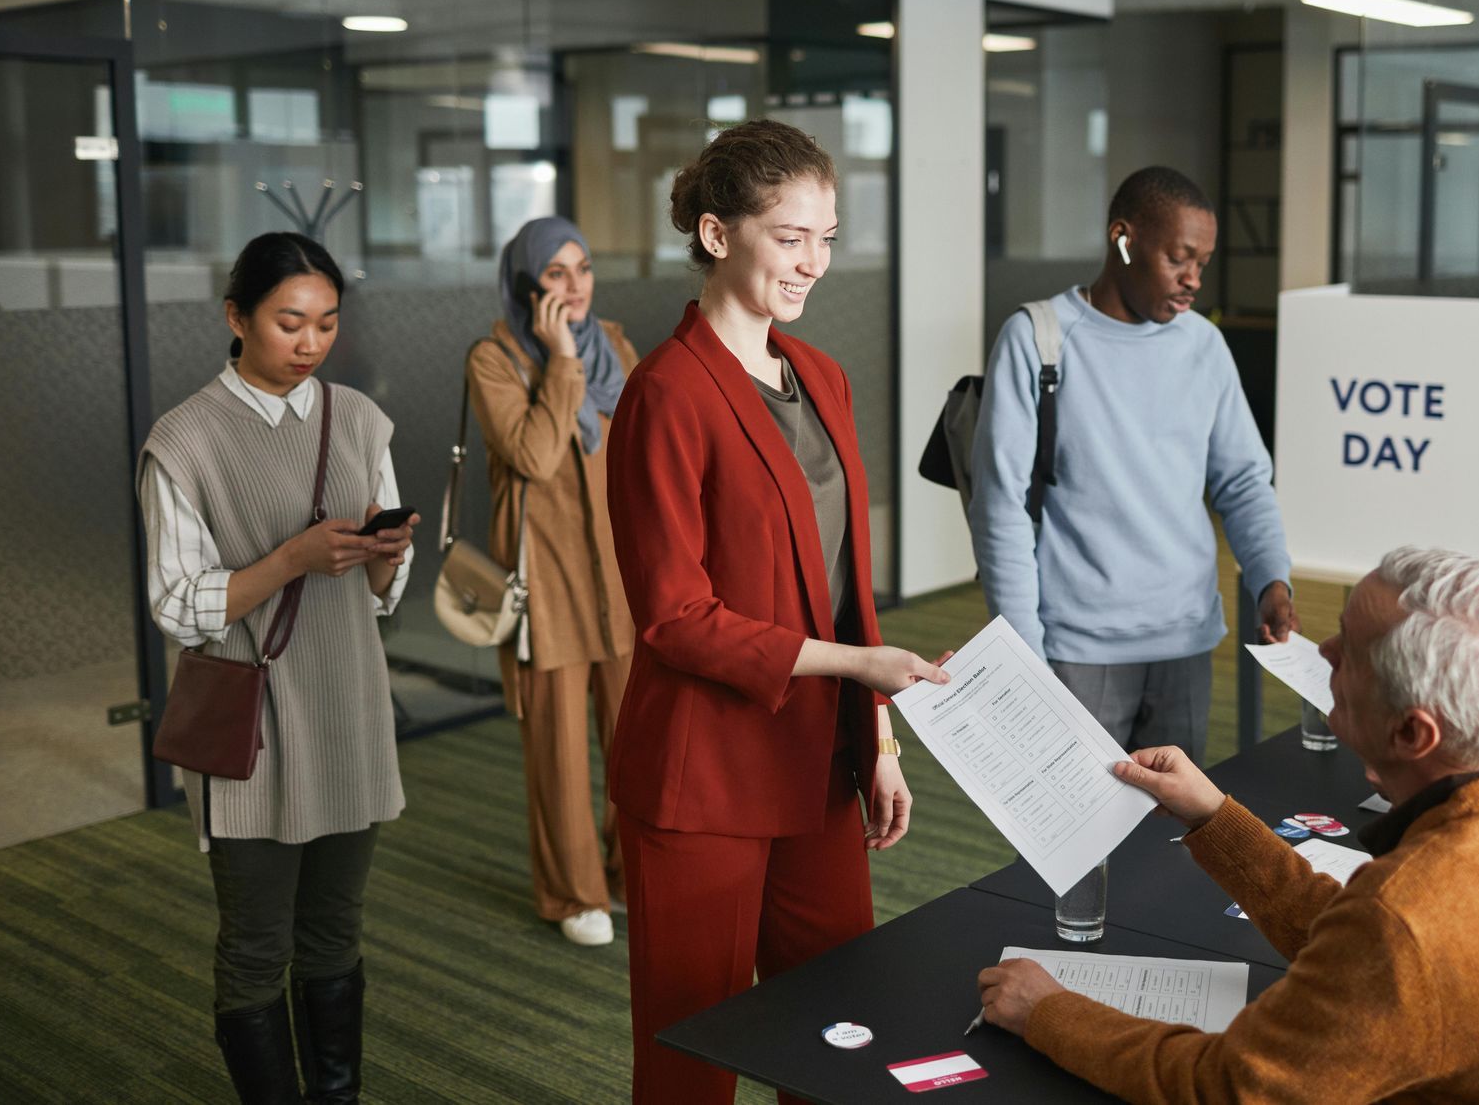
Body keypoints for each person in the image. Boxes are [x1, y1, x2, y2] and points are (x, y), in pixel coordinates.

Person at [976, 547, 1479, 1104]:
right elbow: (1373, 948)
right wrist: (1217, 816)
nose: (1323, 653)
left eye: (1351, 652)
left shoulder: (1414, 915)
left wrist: (1049, 1011)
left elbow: (1232, 1089)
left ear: (1413, 733)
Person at [605, 119, 949, 1104]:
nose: (814, 262)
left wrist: (876, 739)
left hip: (817, 760)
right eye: (790, 236)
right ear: (718, 235)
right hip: (704, 773)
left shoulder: (823, 379)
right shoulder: (665, 394)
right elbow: (673, 617)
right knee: (693, 1054)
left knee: (842, 1028)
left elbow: (849, 587)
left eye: (828, 236)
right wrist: (855, 673)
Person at [138, 232, 415, 1105]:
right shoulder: (184, 441)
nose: (310, 342)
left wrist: (383, 551)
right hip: (250, 724)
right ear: (237, 317)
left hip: (349, 705)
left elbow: (381, 594)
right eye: (289, 321)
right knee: (257, 943)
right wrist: (291, 558)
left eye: (327, 323)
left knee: (335, 932)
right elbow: (177, 604)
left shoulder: (360, 419)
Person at [969, 166, 1296, 763]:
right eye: (1180, 258)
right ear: (1123, 238)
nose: (1193, 280)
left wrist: (1271, 577)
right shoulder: (1038, 339)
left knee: (1176, 835)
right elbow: (1002, 508)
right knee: (1075, 844)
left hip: (1186, 638)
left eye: (1203, 263)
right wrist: (1022, 652)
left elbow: (1244, 481)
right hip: (1076, 645)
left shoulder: (1203, 345)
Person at [467, 216, 638, 948]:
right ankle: (575, 893)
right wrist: (563, 360)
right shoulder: (495, 358)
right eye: (557, 274)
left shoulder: (619, 345)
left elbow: (644, 446)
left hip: (627, 573)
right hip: (549, 582)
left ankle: (635, 875)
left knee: (638, 737)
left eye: (584, 269)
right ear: (525, 283)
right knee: (561, 750)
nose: (575, 288)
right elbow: (535, 454)